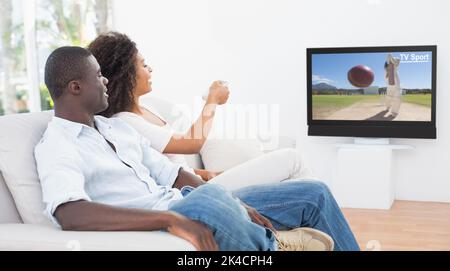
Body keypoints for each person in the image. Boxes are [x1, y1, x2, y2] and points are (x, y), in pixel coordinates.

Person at [35, 46, 360, 251]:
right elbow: (69, 213)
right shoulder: (58, 144)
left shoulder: (116, 129)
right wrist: (168, 219)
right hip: (174, 211)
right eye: (98, 76)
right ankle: (276, 246)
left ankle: (268, 235)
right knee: (208, 199)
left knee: (312, 193)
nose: (105, 81)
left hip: (188, 201)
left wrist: (232, 200)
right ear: (75, 87)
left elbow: (175, 175)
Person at [87, 32, 316, 190]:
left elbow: (174, 164)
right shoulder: (125, 122)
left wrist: (207, 174)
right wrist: (212, 101)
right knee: (292, 159)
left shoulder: (148, 108)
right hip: (193, 196)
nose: (151, 69)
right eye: (144, 65)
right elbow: (191, 143)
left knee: (291, 178)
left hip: (201, 184)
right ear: (126, 74)